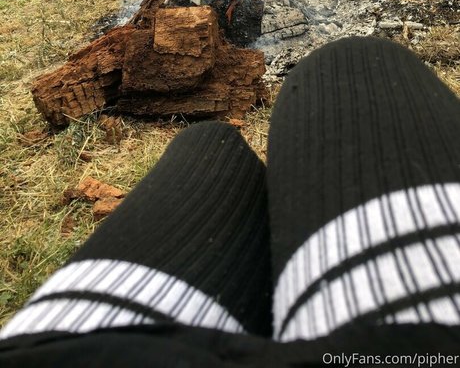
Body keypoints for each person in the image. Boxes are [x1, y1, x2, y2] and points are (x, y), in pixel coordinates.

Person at [1, 36, 459, 367]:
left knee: (209, 142)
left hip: (78, 344)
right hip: (412, 337)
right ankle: (298, 245)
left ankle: (289, 252)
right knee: (355, 62)